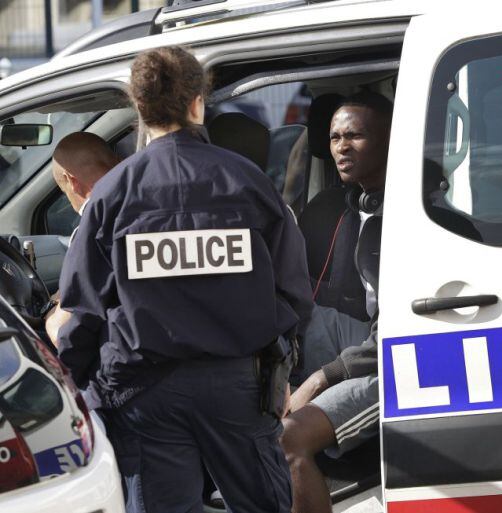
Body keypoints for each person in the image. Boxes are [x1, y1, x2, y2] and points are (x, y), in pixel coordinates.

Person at [57, 46, 313, 513]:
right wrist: (284, 373)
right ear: (198, 102)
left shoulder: (111, 195)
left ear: (139, 108)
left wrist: (76, 388)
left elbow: (85, 313)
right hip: (241, 387)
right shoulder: (248, 181)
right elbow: (294, 292)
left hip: (142, 394)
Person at [281, 91, 392, 513]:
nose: (341, 147)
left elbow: (394, 332)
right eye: (334, 137)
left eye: (355, 136)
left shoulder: (409, 215)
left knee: (289, 437)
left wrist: (320, 379)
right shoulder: (342, 207)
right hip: (364, 339)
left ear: (388, 138)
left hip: (399, 356)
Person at [45, 132, 119, 346]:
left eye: (64, 191)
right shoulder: (152, 203)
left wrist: (50, 314)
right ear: (118, 161)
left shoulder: (93, 228)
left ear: (71, 180)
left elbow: (64, 334)